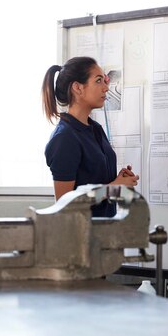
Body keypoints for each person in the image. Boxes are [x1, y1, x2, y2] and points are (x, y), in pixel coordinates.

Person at [41, 56, 140, 217]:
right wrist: (114, 187)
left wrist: (118, 180)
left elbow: (96, 182)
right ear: (77, 88)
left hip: (105, 231)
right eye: (98, 81)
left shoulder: (95, 129)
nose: (106, 88)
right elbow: (65, 204)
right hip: (81, 237)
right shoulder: (64, 138)